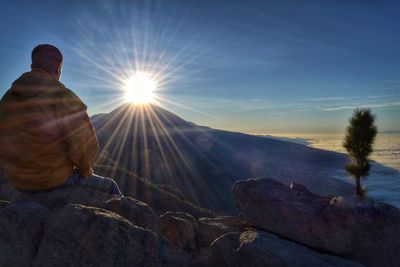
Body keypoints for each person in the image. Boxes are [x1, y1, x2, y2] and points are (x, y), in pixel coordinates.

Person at [0, 44, 122, 196]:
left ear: (32, 66)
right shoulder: (63, 96)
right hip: (51, 181)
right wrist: (85, 170)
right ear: (58, 69)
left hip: (16, 180)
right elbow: (84, 146)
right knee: (111, 187)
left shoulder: (7, 97)